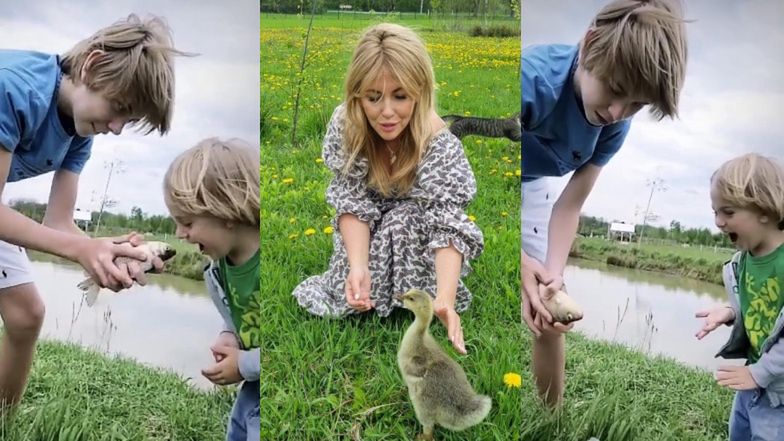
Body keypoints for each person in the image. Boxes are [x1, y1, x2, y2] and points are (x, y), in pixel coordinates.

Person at [0, 13, 182, 408]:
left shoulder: (80, 130)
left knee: (26, 313)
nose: (116, 127)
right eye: (119, 108)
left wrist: (108, 250)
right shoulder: (14, 89)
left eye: (128, 120)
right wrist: (81, 251)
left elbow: (59, 223)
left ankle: (4, 422)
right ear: (93, 65)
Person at [521, 0, 688, 406]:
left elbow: (570, 205)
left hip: (533, 182)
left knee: (548, 307)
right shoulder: (532, 82)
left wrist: (552, 275)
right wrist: (519, 261)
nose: (617, 112)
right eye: (615, 91)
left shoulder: (615, 125)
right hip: (489, 174)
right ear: (591, 44)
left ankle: (551, 415)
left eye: (636, 104)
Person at [292, 23, 483, 354]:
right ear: (357, 95)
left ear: (420, 92)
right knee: (344, 288)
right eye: (373, 97)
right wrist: (358, 265)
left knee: (405, 217)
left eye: (400, 96)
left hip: (415, 234)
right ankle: (368, 280)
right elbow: (351, 201)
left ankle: (413, 295)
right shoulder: (347, 126)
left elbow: (447, 222)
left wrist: (446, 299)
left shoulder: (438, 143)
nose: (387, 112)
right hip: (365, 231)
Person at [163, 138, 260, 441]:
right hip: (252, 389)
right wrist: (229, 335)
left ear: (226, 213)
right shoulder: (220, 268)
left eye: (187, 222)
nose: (180, 234)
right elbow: (241, 315)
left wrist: (243, 364)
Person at [695, 153, 784, 441]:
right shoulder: (742, 261)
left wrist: (761, 373)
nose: (719, 222)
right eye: (715, 212)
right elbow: (759, 307)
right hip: (752, 381)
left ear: (765, 209)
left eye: (729, 212)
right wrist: (730, 312)